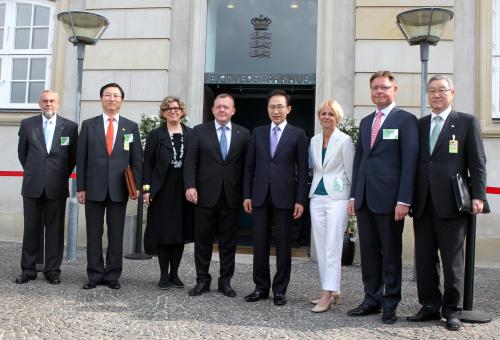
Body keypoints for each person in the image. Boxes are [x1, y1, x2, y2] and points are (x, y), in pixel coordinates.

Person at [407, 75, 487, 331]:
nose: (437, 95)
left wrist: (479, 195)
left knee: (452, 260)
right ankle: (430, 306)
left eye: (442, 90)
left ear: (452, 93)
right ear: (427, 95)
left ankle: (452, 310)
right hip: (423, 203)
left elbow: (477, 162)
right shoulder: (419, 125)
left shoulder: (465, 122)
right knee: (425, 259)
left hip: (452, 202)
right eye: (432, 91)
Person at [347, 71, 418, 323]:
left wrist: (404, 200)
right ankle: (371, 299)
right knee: (368, 253)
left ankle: (390, 303)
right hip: (365, 198)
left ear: (394, 89)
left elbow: (410, 163)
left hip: (390, 201)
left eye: (384, 87)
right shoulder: (366, 121)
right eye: (375, 88)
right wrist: (354, 195)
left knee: (390, 254)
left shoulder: (406, 120)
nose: (379, 91)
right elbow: (360, 161)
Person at [243, 89, 308, 306]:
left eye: (280, 106)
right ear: (267, 109)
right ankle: (260, 287)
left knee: (283, 245)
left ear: (288, 109)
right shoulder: (258, 132)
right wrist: (247, 195)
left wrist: (300, 200)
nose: (276, 110)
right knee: (259, 243)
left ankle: (280, 289)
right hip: (260, 196)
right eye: (272, 106)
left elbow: (303, 170)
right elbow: (249, 167)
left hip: (286, 197)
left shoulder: (298, 134)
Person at [77, 83, 142, 290]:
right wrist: (80, 187)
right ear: (101, 99)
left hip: (119, 188)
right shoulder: (88, 125)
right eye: (108, 95)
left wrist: (137, 185)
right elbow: (81, 158)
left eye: (116, 96)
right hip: (93, 187)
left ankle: (113, 275)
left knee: (116, 233)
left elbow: (136, 159)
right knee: (93, 233)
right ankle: (95, 274)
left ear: (122, 100)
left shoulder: (130, 127)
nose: (111, 99)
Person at [184, 93, 250, 297]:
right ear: (212, 109)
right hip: (204, 195)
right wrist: (189, 186)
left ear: (233, 110)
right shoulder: (199, 131)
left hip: (231, 195)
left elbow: (248, 168)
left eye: (226, 107)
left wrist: (247, 194)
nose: (222, 110)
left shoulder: (244, 134)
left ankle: (225, 281)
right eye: (219, 106)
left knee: (228, 242)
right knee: (202, 240)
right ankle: (202, 279)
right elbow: (190, 161)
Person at [15, 90, 78, 285]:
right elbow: (22, 154)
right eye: (45, 101)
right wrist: (37, 172)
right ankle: (28, 270)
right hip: (33, 186)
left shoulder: (69, 127)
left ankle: (52, 270)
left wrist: (57, 175)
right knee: (31, 229)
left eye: (52, 101)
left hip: (57, 186)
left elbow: (72, 159)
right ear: (39, 104)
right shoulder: (28, 125)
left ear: (58, 104)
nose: (48, 104)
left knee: (55, 231)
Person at [142, 96, 194, 290]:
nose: (173, 111)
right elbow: (147, 164)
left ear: (182, 111)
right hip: (161, 190)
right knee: (164, 234)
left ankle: (175, 274)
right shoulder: (156, 135)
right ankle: (164, 275)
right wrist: (146, 189)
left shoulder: (191, 134)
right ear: (163, 113)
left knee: (179, 234)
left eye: (177, 108)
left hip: (183, 191)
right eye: (169, 109)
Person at [308, 100, 354, 313]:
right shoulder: (314, 140)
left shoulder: (345, 141)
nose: (326, 117)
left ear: (338, 118)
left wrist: (352, 199)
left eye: (331, 114)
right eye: (323, 113)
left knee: (332, 246)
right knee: (320, 246)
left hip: (338, 198)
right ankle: (330, 289)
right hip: (317, 196)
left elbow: (351, 171)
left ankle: (328, 294)